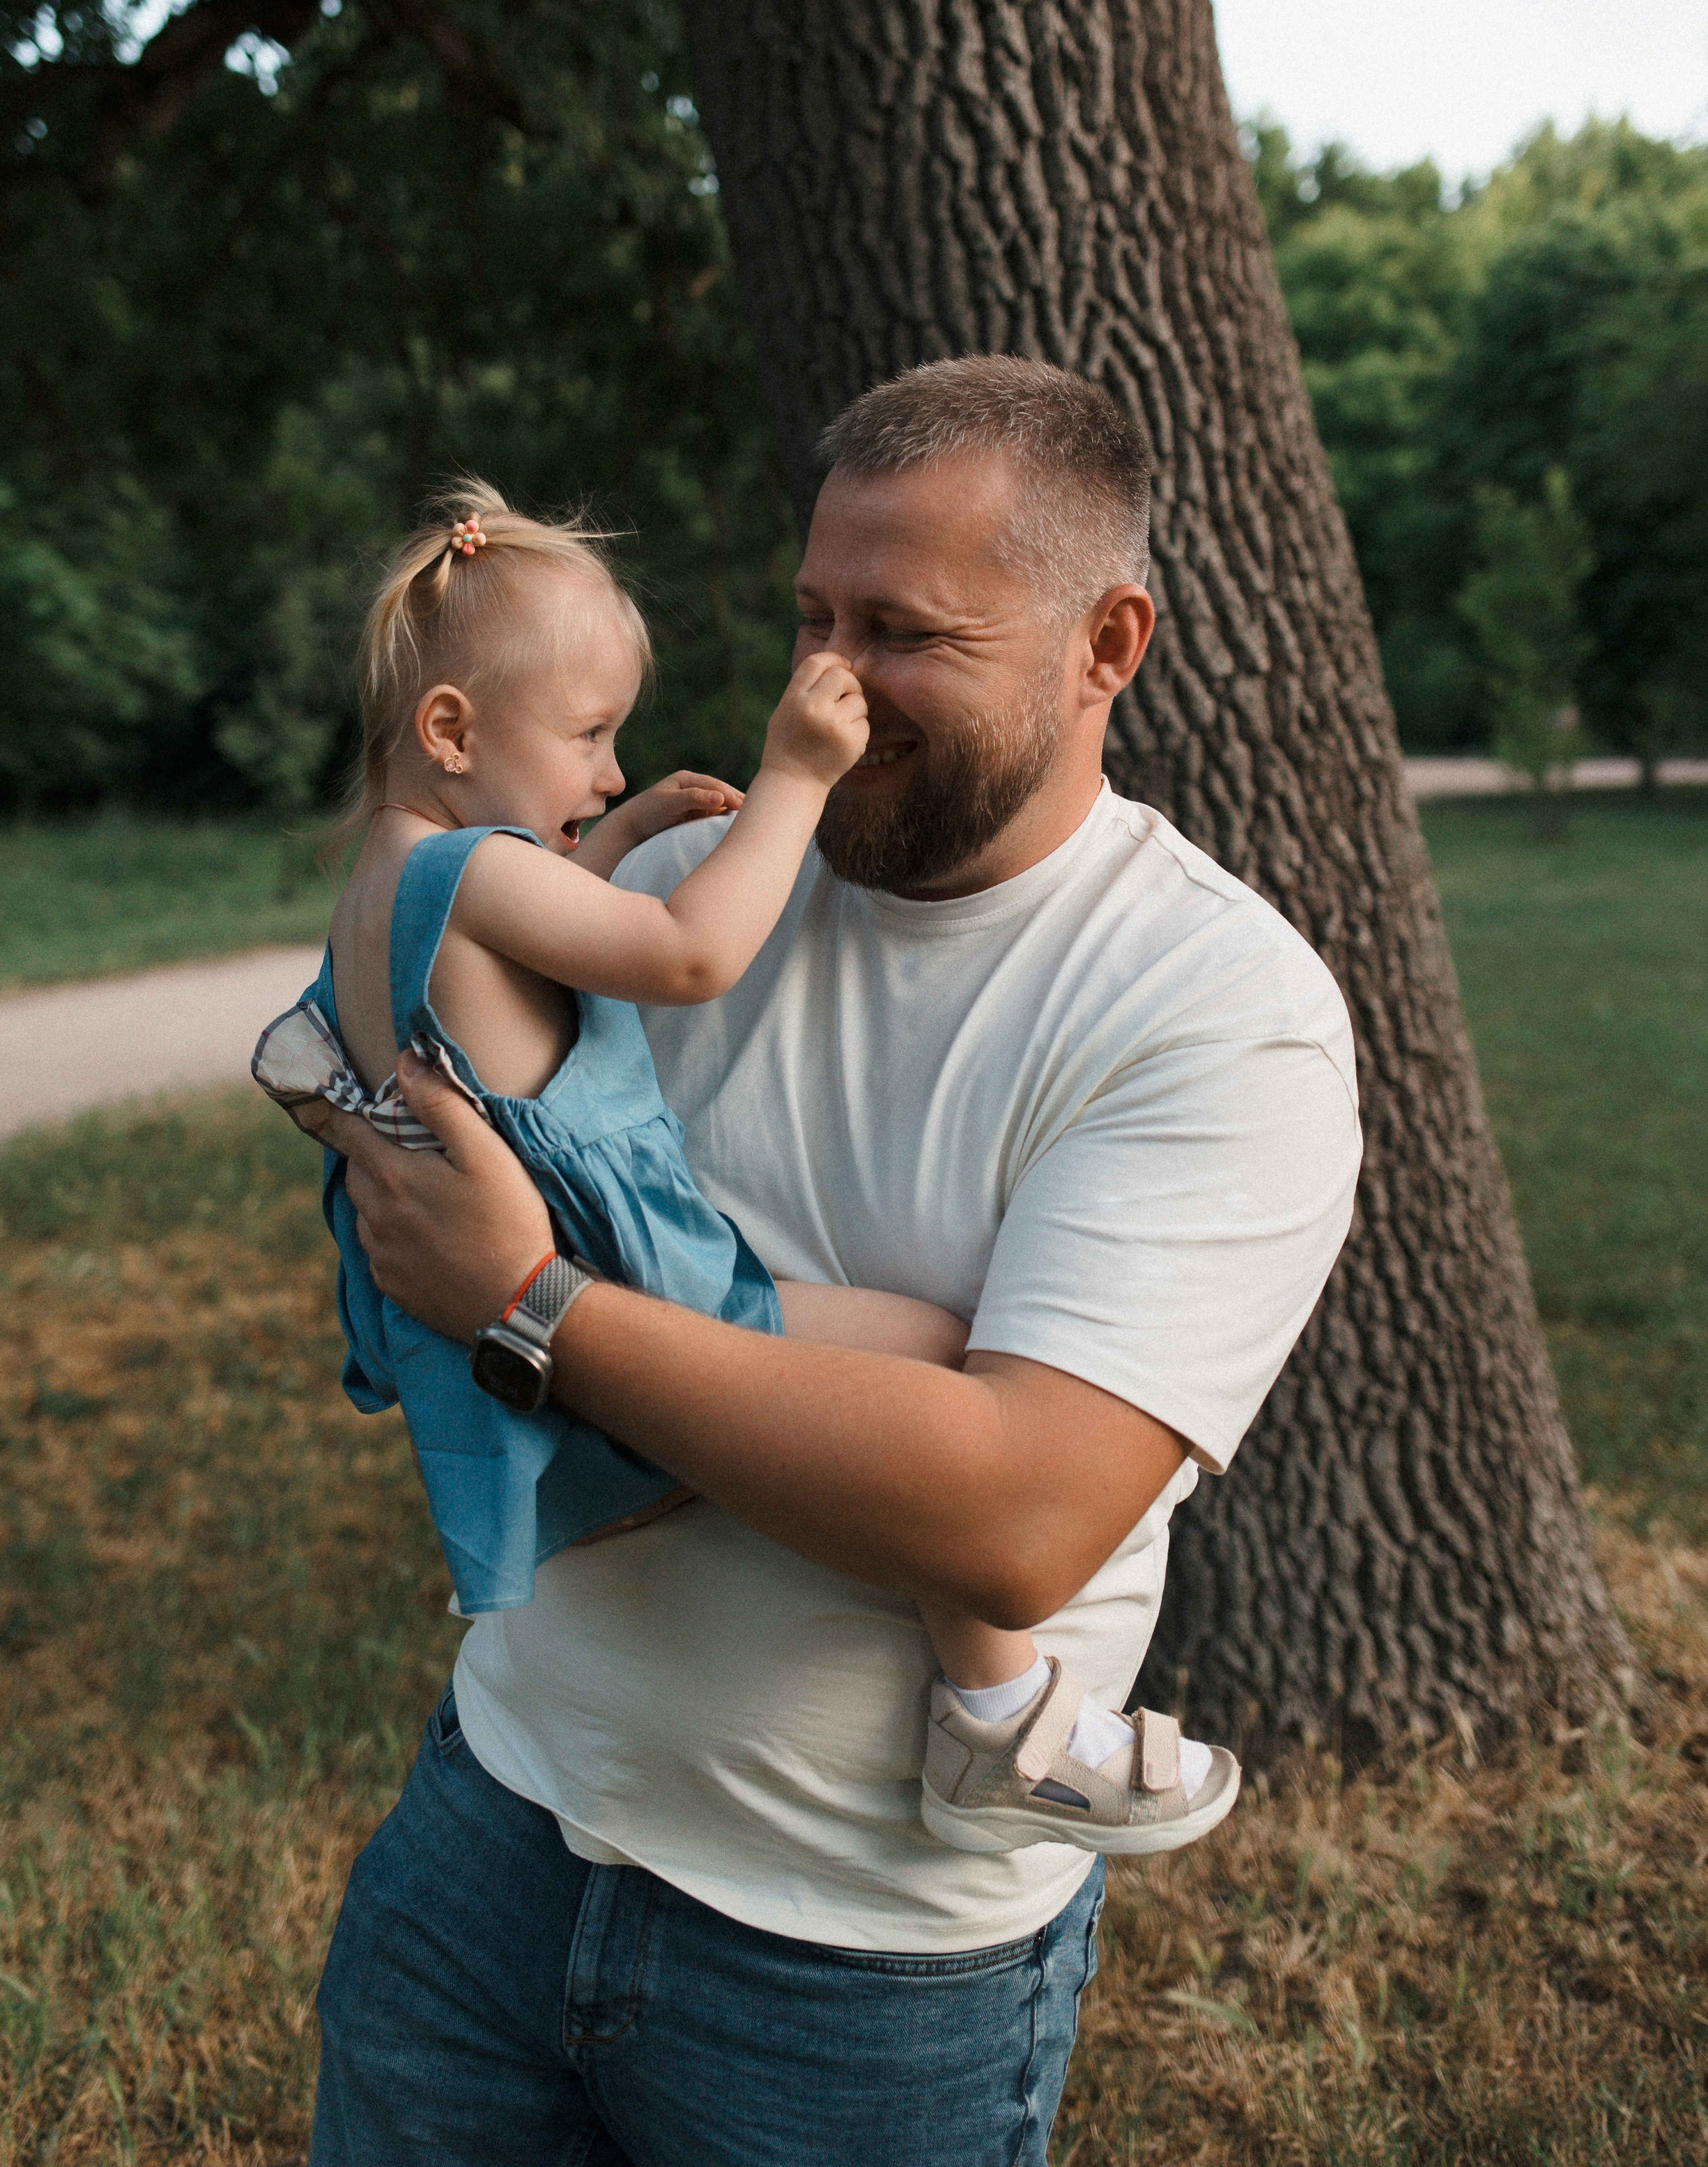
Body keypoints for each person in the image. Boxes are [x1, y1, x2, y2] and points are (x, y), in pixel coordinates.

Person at [311, 359, 1364, 2167]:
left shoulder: (1213, 1012)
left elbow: (1014, 1515)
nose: (828, 683)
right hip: (497, 1824)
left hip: (857, 1965)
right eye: (814, 614)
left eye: (904, 632)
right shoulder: (694, 884)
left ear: (1107, 643)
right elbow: (425, 1164)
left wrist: (535, 1313)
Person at [254, 479, 1238, 1840]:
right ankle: (999, 1714)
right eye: (590, 736)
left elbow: (507, 978)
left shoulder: (390, 876)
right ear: (449, 730)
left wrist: (620, 834)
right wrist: (792, 776)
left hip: (535, 1270)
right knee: (935, 1344)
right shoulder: (470, 870)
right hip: (617, 1266)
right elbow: (688, 953)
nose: (606, 767)